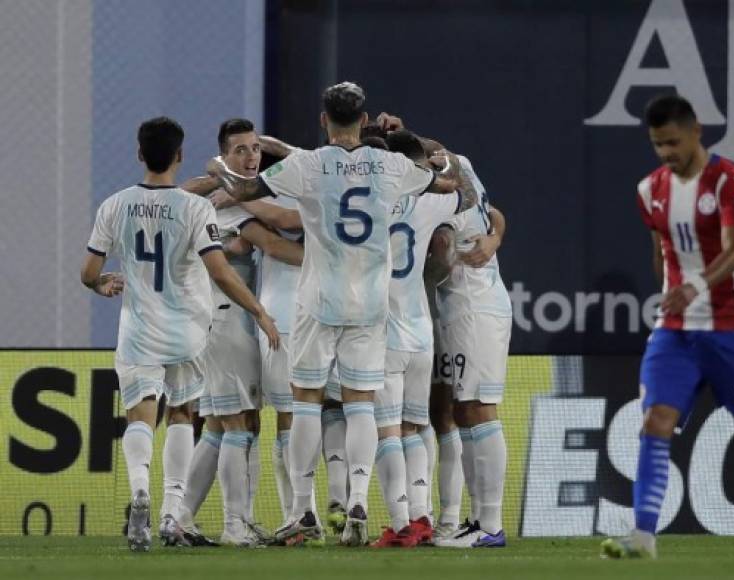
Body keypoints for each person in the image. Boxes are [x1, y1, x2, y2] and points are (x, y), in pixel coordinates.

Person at [205, 81, 458, 546]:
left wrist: (218, 166)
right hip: (370, 303)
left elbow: (243, 187)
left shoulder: (308, 165)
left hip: (319, 299)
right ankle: (358, 499)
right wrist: (441, 159)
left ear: (324, 120)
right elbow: (445, 181)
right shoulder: (391, 164)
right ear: (364, 120)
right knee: (361, 404)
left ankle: (303, 509)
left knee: (305, 402)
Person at [600, 94, 734, 560]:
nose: (666, 152)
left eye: (672, 142)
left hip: (730, 327)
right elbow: (660, 251)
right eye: (657, 145)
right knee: (655, 421)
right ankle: (644, 535)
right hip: (674, 330)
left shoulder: (730, 180)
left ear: (695, 131)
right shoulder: (650, 189)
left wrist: (693, 286)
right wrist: (673, 293)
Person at [80, 116, 279, 552]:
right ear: (180, 155)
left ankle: (139, 493)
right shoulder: (195, 208)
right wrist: (259, 310)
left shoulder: (114, 205)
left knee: (140, 417)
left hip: (138, 330)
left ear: (139, 154)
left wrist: (102, 284)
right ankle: (171, 515)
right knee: (184, 416)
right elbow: (221, 271)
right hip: (187, 329)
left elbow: (89, 272)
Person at [177, 118, 304, 547]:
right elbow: (276, 243)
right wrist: (330, 255)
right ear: (224, 156)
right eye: (240, 151)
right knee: (240, 424)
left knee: (218, 423)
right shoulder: (231, 202)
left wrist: (226, 182)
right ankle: (236, 524)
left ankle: (181, 518)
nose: (251, 158)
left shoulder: (228, 193)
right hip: (227, 318)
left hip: (218, 319)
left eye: (254, 149)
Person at [370, 129, 476, 548]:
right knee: (418, 425)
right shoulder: (429, 202)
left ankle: (400, 525)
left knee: (387, 429)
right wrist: (444, 164)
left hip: (380, 330)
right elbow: (466, 197)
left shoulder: (369, 201)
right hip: (420, 329)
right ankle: (424, 516)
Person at [428, 156, 511, 549]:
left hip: (474, 306)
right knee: (463, 410)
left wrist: (430, 265)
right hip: (462, 308)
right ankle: (477, 519)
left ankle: (491, 525)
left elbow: (443, 257)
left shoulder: (442, 201)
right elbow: (496, 212)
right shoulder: (462, 166)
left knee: (479, 407)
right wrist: (494, 236)